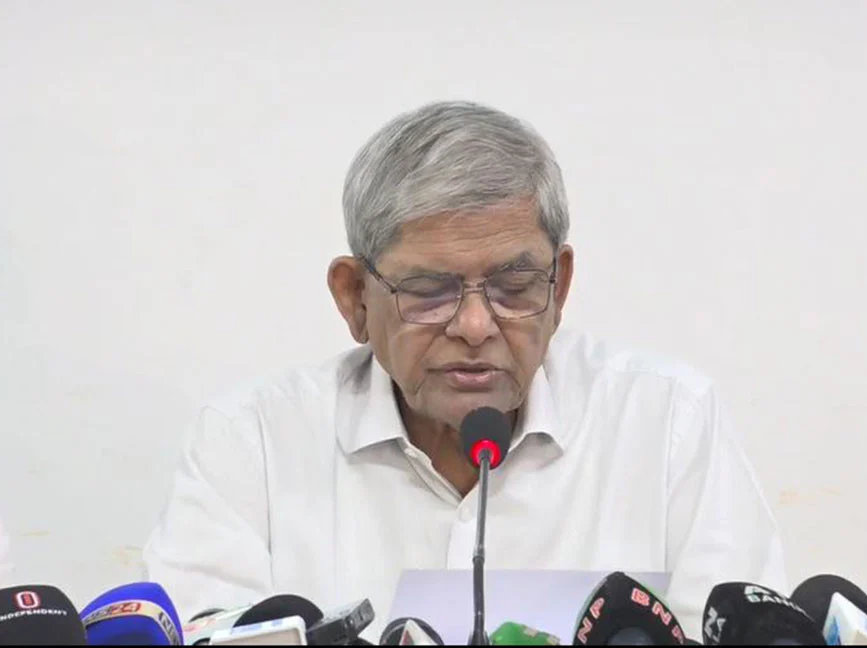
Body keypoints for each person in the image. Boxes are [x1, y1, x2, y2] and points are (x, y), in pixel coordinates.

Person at [143, 101, 786, 638]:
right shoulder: (251, 443)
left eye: (514, 286)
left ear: (559, 288)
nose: (475, 326)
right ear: (355, 298)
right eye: (428, 291)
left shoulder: (668, 424)